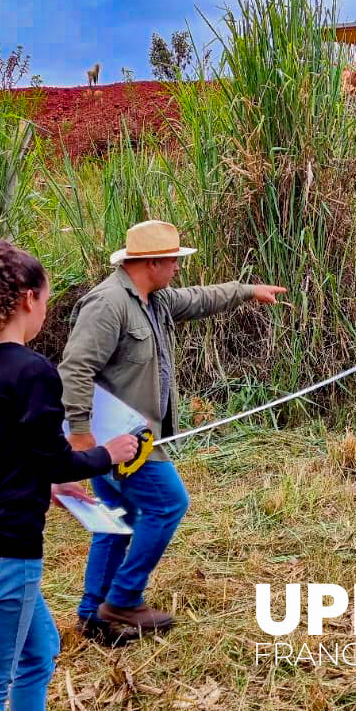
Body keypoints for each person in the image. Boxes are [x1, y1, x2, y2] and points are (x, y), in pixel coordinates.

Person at [59, 220, 287, 644]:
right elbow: (74, 368)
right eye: (175, 261)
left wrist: (247, 291)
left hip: (127, 443)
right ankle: (123, 599)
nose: (179, 268)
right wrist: (81, 436)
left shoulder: (155, 300)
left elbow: (200, 299)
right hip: (121, 443)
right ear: (152, 263)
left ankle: (94, 616)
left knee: (117, 523)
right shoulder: (108, 305)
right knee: (168, 504)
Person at [0, 239, 140, 711]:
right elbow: (56, 459)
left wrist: (43, 486)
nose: (45, 311)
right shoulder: (33, 373)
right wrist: (108, 454)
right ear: (28, 298)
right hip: (3, 552)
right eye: (46, 301)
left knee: (39, 651)